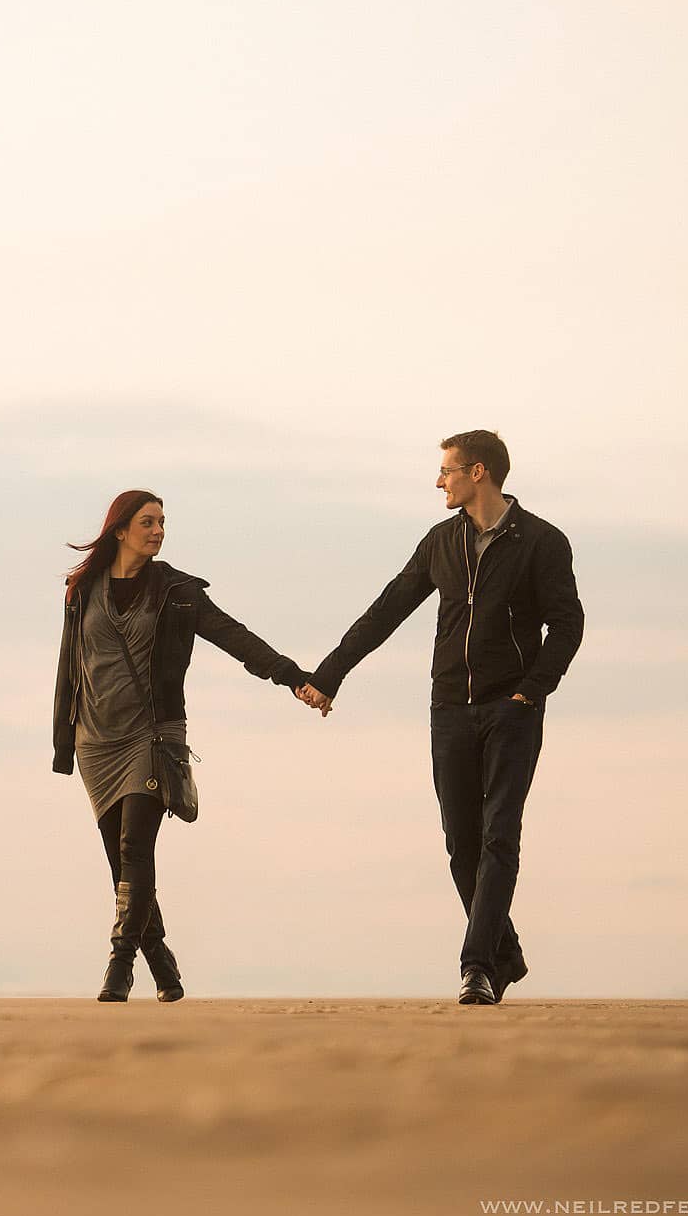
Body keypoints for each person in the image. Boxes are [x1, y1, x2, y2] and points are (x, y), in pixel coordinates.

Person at [295, 430, 584, 1005]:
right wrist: (330, 674)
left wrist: (532, 691)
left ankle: (477, 966)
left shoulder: (542, 542)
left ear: (478, 473)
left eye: (447, 470)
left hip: (512, 710)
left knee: (499, 834)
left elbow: (567, 624)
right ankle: (505, 952)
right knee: (462, 843)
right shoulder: (440, 543)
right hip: (450, 708)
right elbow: (389, 609)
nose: (439, 481)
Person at [52, 489, 312, 1002]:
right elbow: (68, 666)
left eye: (163, 523)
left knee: (134, 848)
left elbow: (237, 638)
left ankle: (119, 964)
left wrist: (294, 678)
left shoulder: (178, 591)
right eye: (148, 522)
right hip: (97, 742)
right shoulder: (82, 591)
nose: (158, 531)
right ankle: (162, 963)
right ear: (120, 530)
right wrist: (64, 741)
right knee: (120, 862)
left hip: (153, 737)